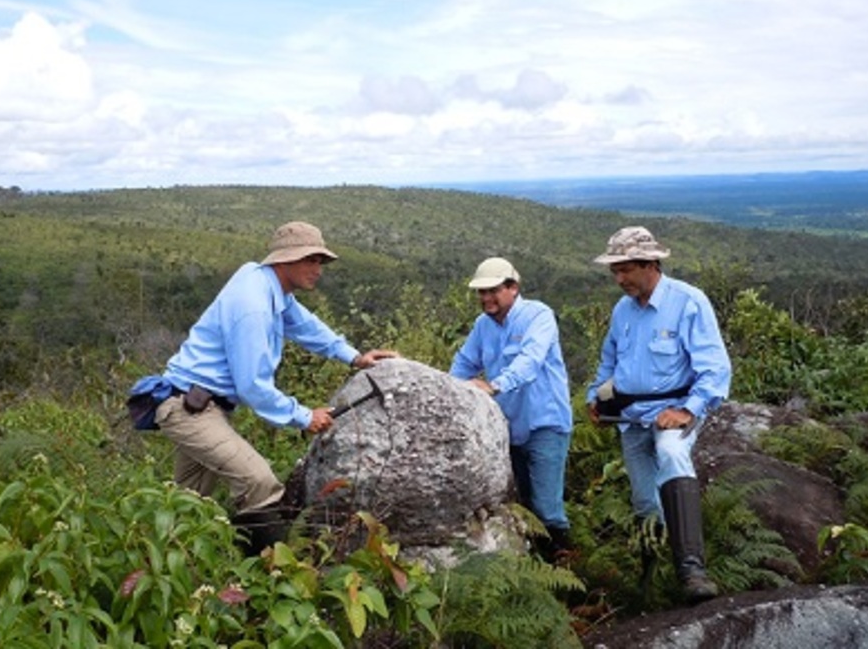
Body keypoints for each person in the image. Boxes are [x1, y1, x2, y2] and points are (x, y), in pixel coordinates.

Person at [132, 221, 396, 555]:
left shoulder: (265, 283)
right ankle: (270, 579)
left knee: (186, 506)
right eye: (311, 260)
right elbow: (253, 386)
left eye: (320, 261)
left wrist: (354, 356)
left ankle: (171, 572)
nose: (318, 270)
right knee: (258, 482)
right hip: (189, 409)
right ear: (285, 260)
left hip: (197, 404)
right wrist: (303, 417)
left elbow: (302, 324)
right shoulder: (254, 306)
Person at [585, 226, 731, 604]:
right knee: (645, 502)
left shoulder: (688, 302)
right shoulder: (623, 310)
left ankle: (691, 569)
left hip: (673, 410)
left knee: (671, 454)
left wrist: (687, 410)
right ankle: (653, 578)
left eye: (626, 269)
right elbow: (610, 362)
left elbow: (715, 369)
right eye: (614, 271)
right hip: (632, 417)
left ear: (651, 263)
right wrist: (596, 399)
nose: (619, 279)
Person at [449, 257, 574, 561]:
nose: (486, 298)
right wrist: (449, 389)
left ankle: (565, 573)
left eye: (492, 290)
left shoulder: (538, 316)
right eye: (481, 292)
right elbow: (464, 363)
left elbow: (530, 361)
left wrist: (494, 385)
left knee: (546, 507)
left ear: (513, 288)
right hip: (508, 427)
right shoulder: (483, 326)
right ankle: (539, 575)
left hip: (545, 423)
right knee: (522, 506)